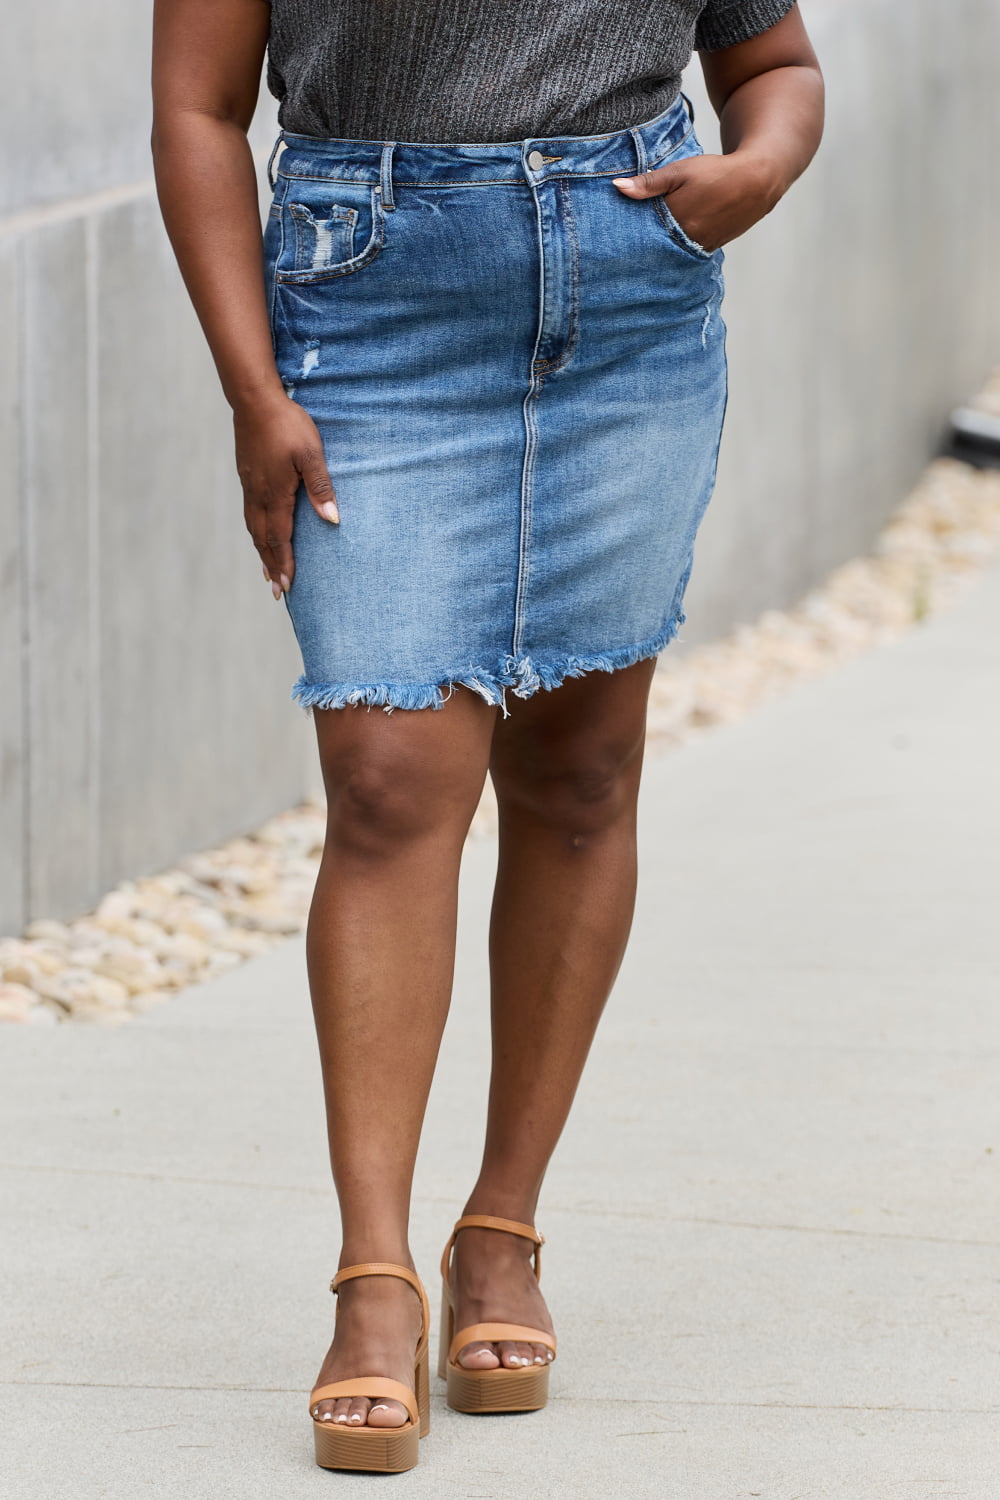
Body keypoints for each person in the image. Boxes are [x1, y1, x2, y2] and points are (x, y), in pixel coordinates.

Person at [152, 0, 823, 1473]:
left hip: (630, 304)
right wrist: (251, 388)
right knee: (388, 781)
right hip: (371, 298)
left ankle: (502, 1232)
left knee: (581, 776)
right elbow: (198, 109)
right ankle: (372, 1274)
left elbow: (772, 64)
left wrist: (761, 169)